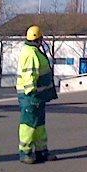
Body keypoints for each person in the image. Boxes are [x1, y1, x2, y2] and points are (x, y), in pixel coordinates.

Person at [16, 25, 58, 164]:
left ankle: (41, 151)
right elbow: (29, 75)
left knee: (39, 124)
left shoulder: (33, 51)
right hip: (31, 96)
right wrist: (32, 94)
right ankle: (25, 152)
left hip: (38, 96)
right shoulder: (31, 53)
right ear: (39, 39)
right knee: (28, 124)